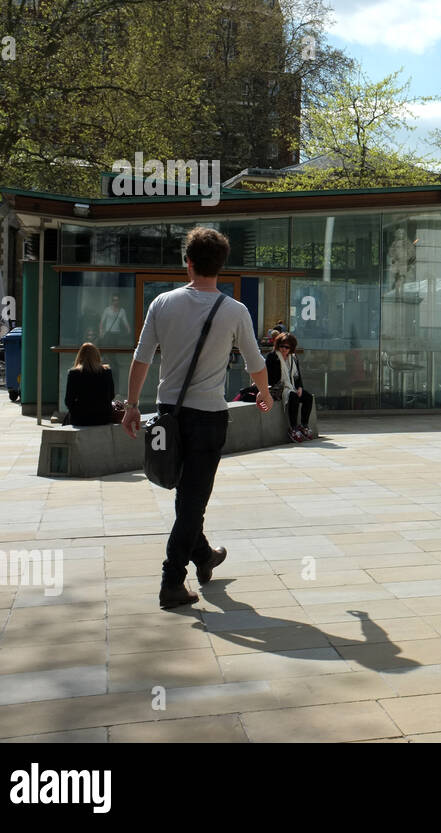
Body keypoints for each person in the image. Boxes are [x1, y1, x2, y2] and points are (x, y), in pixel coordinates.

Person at [122, 227, 272, 610]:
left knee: (186, 495)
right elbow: (256, 363)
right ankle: (172, 580)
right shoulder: (235, 311)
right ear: (221, 266)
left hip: (168, 414)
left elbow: (142, 356)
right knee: (192, 501)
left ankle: (203, 555)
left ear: (187, 262)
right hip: (208, 417)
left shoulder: (162, 303)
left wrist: (132, 404)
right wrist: (266, 395)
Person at [267, 332, 314, 442]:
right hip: (278, 388)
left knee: (308, 397)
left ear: (291, 347)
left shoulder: (293, 357)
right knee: (293, 396)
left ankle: (304, 425)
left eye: (287, 347)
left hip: (291, 386)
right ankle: (293, 428)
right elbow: (270, 378)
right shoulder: (273, 357)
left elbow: (297, 375)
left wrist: (300, 387)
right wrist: (287, 386)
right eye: (281, 346)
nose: (283, 349)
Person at [64, 342, 116, 427]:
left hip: (81, 418)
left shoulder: (74, 373)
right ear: (97, 356)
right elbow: (111, 395)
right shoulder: (107, 372)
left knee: (66, 420)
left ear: (80, 356)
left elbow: (68, 400)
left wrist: (76, 410)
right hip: (104, 417)